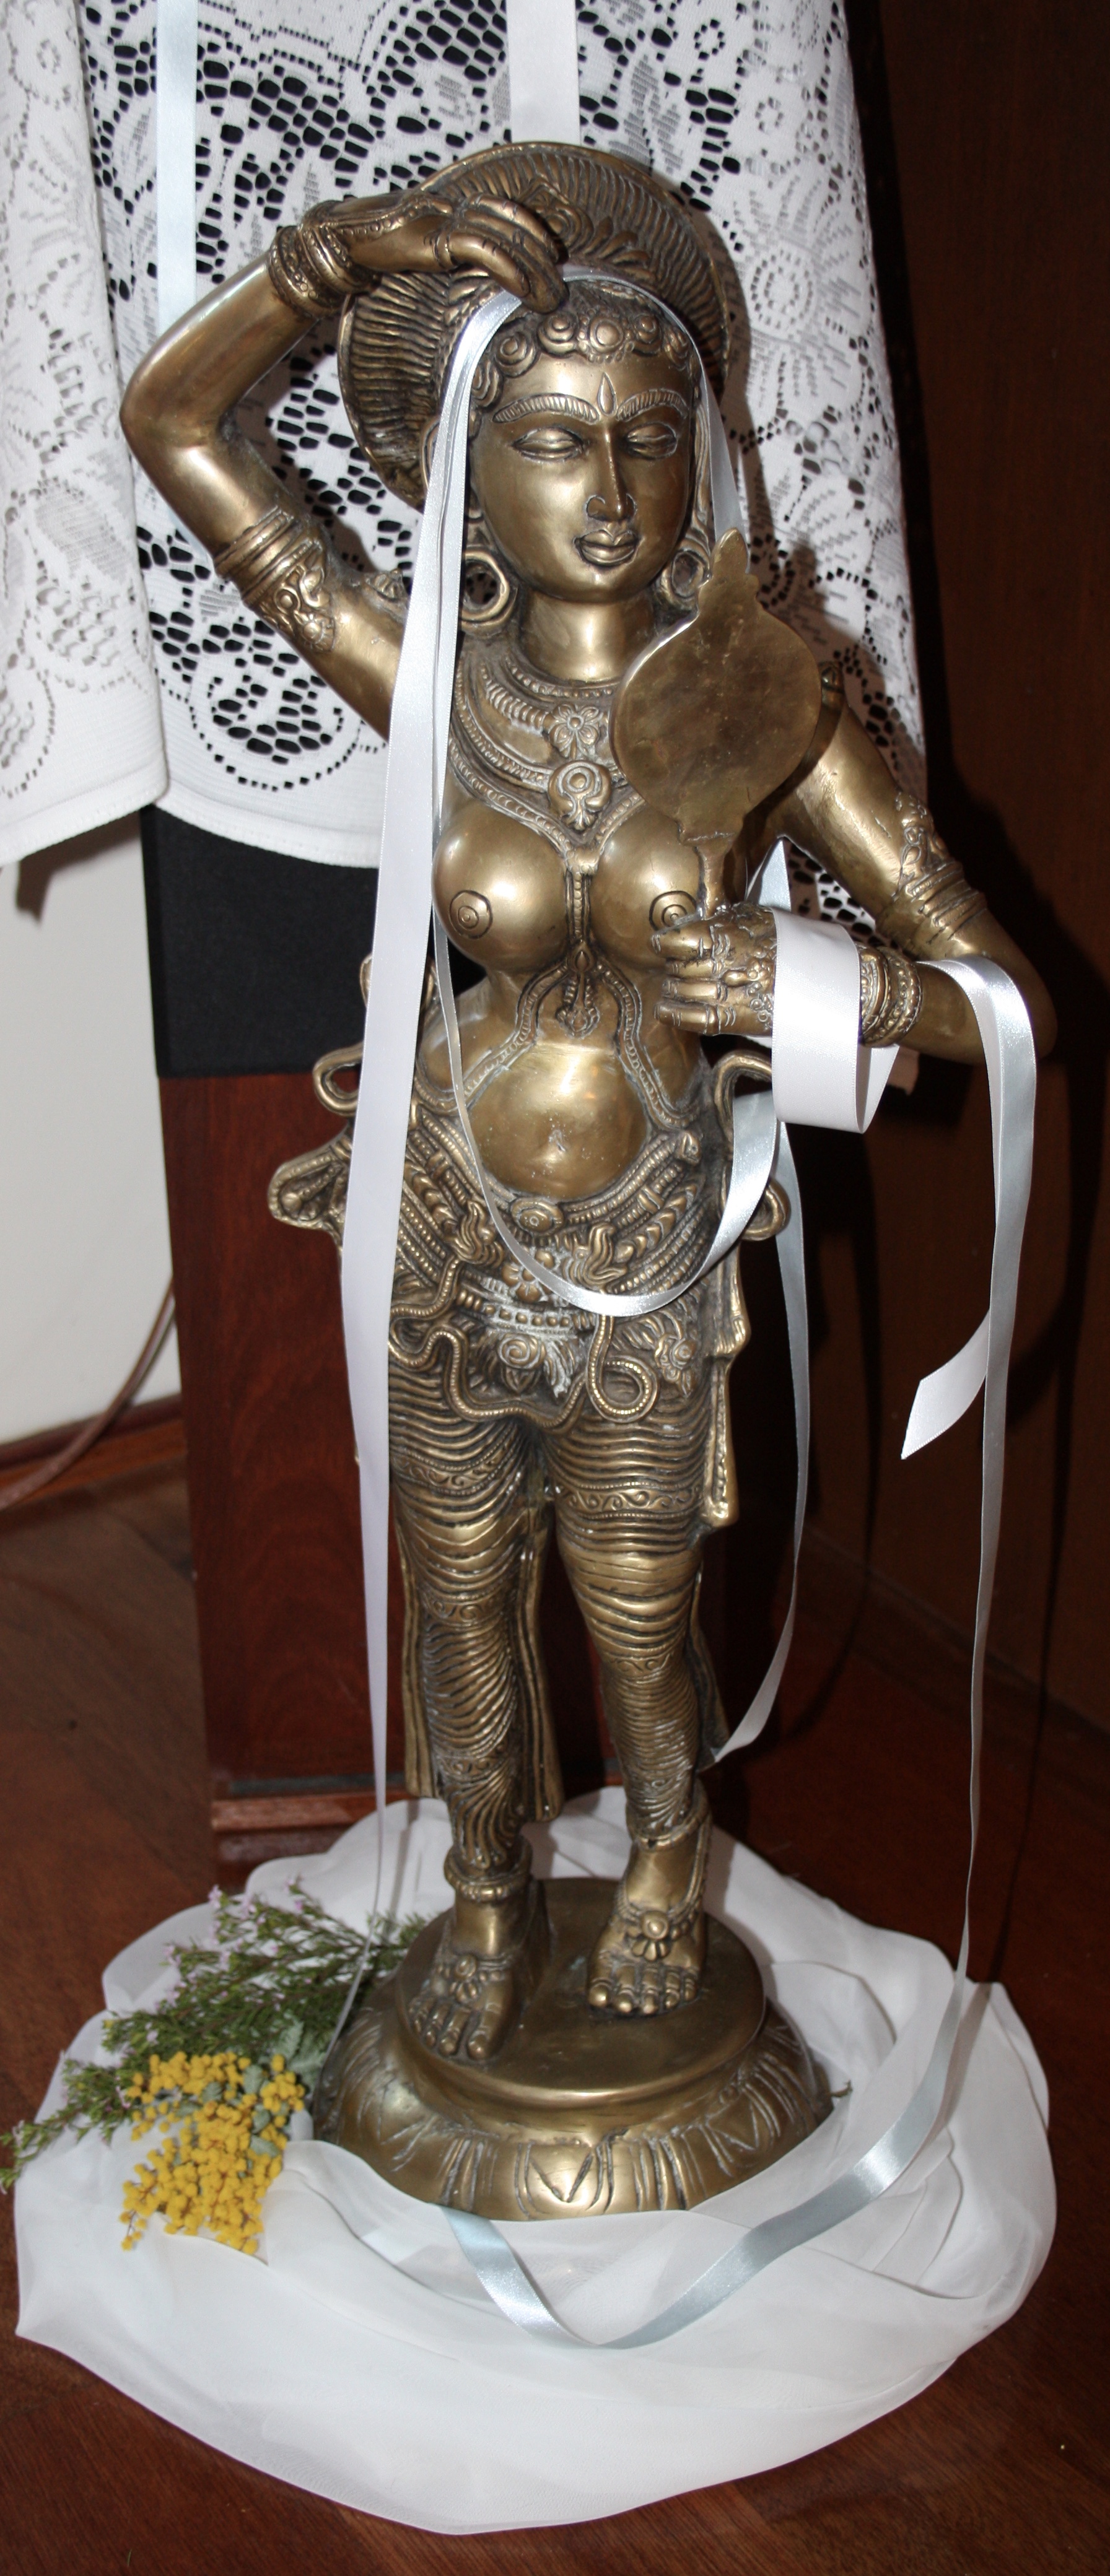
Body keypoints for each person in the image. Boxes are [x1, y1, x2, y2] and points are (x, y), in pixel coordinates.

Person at [123, 144, 1053, 2068]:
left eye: (647, 437)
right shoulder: (427, 680)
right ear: (471, 465)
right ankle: (481, 1896)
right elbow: (179, 432)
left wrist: (828, 983)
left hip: (645, 1252)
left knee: (638, 1617)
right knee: (460, 1600)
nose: (611, 489)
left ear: (701, 455)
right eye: (553, 440)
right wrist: (339, 256)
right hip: (448, 1225)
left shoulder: (770, 706)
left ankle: (660, 1870)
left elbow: (997, 1000)